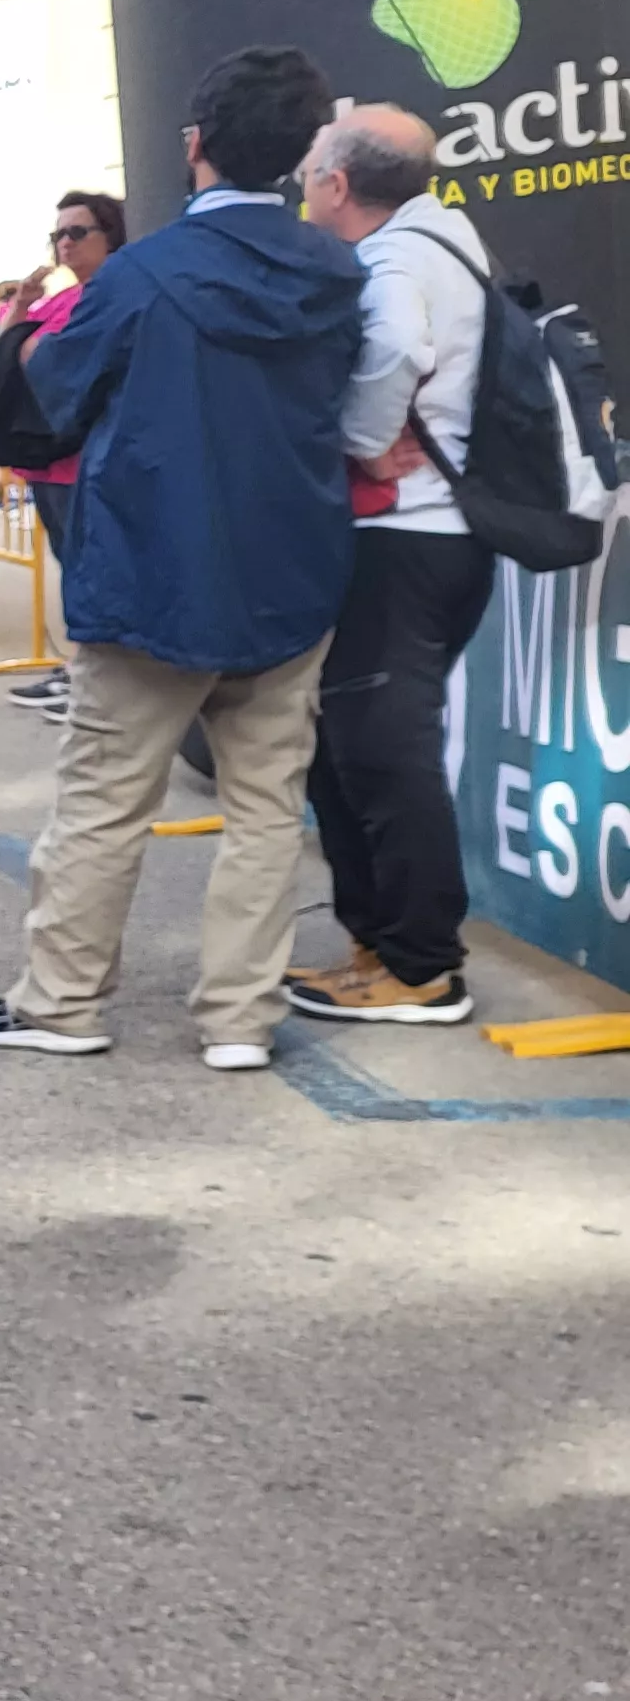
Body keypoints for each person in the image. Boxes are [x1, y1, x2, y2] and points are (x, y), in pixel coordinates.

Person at [0, 44, 366, 1074]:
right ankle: (240, 1017)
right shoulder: (335, 268)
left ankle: (62, 1002)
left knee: (103, 801)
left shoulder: (142, 273)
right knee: (267, 807)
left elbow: (60, 391)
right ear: (300, 152)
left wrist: (27, 345)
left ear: (195, 145)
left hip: (151, 566)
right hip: (292, 563)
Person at [291, 104, 495, 1026]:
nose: (302, 189)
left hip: (404, 536)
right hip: (432, 540)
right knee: (357, 750)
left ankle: (421, 969)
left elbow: (398, 347)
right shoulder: (446, 241)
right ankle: (379, 948)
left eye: (308, 174)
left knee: (381, 753)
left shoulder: (397, 261)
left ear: (337, 185)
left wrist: (363, 440)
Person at [2, 191, 128, 718]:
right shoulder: (60, 298)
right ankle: (79, 666)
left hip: (84, 458)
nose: (65, 244)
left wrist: (30, 348)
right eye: (58, 235)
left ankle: (94, 677)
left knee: (91, 570)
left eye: (78, 232)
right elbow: (8, 352)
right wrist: (21, 307)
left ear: (110, 236)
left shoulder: (109, 295)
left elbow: (53, 362)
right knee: (71, 568)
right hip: (46, 456)